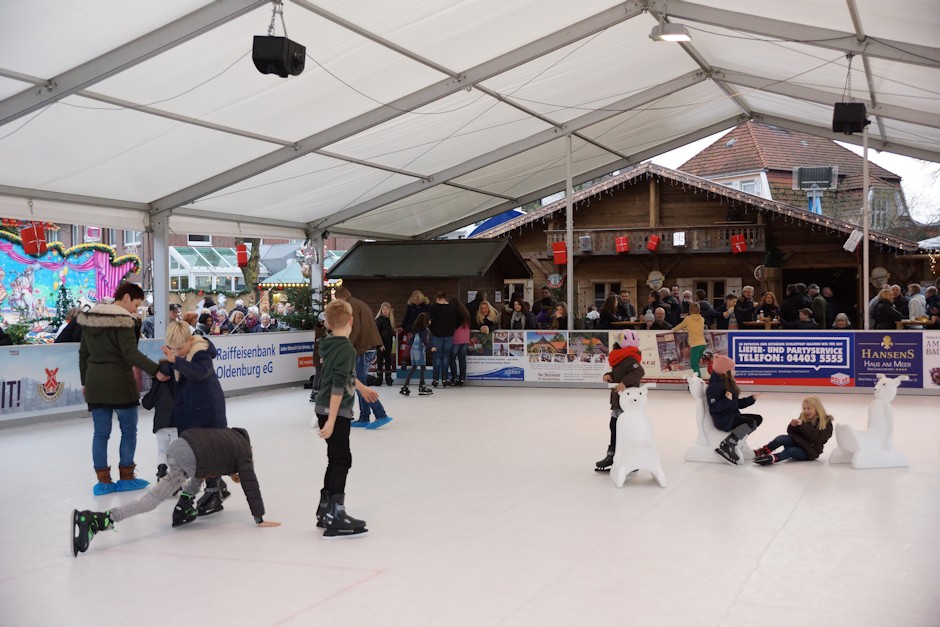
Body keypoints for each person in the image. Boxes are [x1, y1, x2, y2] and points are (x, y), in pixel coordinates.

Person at [71, 427, 281, 557]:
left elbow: (204, 468)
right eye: (236, 476)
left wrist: (188, 496)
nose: (236, 478)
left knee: (200, 474)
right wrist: (259, 517)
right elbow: (251, 484)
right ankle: (98, 519)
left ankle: (184, 504)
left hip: (182, 444)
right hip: (186, 458)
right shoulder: (243, 458)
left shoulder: (231, 438)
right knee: (152, 500)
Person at [79, 282, 169, 495]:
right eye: (136, 305)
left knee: (100, 433)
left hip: (95, 383)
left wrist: (85, 381)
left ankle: (103, 482)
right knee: (129, 430)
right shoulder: (124, 321)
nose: (135, 310)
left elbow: (83, 354)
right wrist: (156, 370)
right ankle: (127, 477)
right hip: (119, 382)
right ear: (126, 297)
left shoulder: (90, 318)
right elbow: (130, 353)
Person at [313, 299, 379, 537]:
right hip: (336, 411)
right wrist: (332, 420)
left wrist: (362, 389)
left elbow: (345, 374)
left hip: (325, 409)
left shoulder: (329, 344)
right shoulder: (348, 349)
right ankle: (335, 514)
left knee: (335, 458)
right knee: (342, 460)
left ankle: (325, 509)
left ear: (329, 324)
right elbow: (338, 385)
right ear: (351, 321)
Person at [161, 320, 230, 516]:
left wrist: (176, 362)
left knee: (207, 451)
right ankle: (217, 485)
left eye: (180, 348)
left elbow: (200, 373)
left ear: (190, 340)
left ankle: (214, 491)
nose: (178, 352)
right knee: (197, 451)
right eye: (174, 349)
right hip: (190, 410)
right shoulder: (181, 356)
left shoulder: (201, 353)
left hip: (208, 410)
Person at [334, 286, 393, 429]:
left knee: (358, 384)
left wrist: (346, 347)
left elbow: (355, 329)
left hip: (362, 349)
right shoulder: (360, 303)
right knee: (359, 382)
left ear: (340, 297)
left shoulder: (350, 306)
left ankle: (380, 414)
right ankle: (364, 417)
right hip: (368, 348)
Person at [595, 333, 645, 471]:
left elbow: (639, 372)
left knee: (625, 430)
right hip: (618, 401)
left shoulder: (629, 358)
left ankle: (630, 458)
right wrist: (609, 375)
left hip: (627, 402)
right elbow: (618, 373)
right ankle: (612, 455)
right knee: (614, 426)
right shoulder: (620, 357)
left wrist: (624, 383)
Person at [707, 355, 763, 465]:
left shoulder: (727, 383)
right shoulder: (714, 387)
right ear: (725, 371)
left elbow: (735, 404)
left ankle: (738, 439)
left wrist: (751, 399)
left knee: (757, 419)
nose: (735, 371)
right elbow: (714, 408)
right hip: (723, 420)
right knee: (750, 422)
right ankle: (727, 445)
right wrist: (729, 401)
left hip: (731, 415)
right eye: (732, 369)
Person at [753, 397, 834, 465]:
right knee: (781, 439)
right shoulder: (803, 417)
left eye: (809, 408)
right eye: (804, 408)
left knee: (790, 451)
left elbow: (818, 438)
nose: (806, 411)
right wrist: (792, 426)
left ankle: (773, 458)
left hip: (809, 451)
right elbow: (791, 433)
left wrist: (803, 425)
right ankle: (763, 451)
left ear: (817, 408)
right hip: (799, 443)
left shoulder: (826, 422)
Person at [140, 359, 176, 480]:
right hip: (177, 423)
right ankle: (176, 477)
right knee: (176, 451)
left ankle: (161, 469)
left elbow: (147, 404)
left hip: (160, 425)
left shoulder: (157, 383)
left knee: (162, 450)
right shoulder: (178, 381)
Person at [429, 290, 458, 387]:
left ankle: (435, 379)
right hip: (449, 335)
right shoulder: (452, 308)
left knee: (437, 357)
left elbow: (428, 319)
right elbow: (458, 319)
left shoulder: (434, 307)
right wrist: (453, 328)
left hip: (437, 335)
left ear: (438, 298)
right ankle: (444, 379)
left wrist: (432, 328)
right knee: (446, 357)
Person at [400, 312, 433, 396]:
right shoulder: (425, 331)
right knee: (423, 368)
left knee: (414, 367)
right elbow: (424, 341)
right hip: (419, 351)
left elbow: (410, 342)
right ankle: (422, 386)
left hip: (413, 351)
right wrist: (430, 347)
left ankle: (405, 385)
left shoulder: (416, 332)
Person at [671, 302, 706, 377]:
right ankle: (698, 378)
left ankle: (698, 379)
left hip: (695, 345)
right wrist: (687, 328)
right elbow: (696, 327)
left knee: (693, 364)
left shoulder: (688, 319)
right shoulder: (702, 319)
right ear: (699, 311)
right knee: (696, 362)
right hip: (702, 344)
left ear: (689, 311)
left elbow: (680, 326)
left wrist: (673, 330)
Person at [374, 302, 396, 386]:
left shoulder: (390, 320)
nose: (385, 311)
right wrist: (380, 344)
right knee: (380, 360)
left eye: (387, 309)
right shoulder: (379, 320)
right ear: (381, 310)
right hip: (381, 344)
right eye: (383, 309)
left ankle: (388, 377)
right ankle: (379, 378)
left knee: (388, 360)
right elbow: (376, 333)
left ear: (390, 310)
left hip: (388, 343)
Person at [450, 301, 471, 386]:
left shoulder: (455, 314)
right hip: (465, 339)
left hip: (456, 339)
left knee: (452, 358)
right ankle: (462, 377)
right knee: (462, 359)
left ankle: (454, 377)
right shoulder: (466, 314)